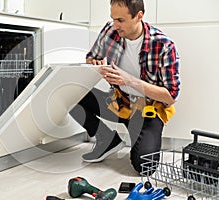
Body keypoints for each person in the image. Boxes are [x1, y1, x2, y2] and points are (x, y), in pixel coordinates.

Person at [70, 0, 180, 173]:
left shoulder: (164, 46)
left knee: (145, 167)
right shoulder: (110, 31)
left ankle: (137, 134)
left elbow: (170, 97)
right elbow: (91, 58)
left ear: (139, 16)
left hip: (147, 110)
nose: (115, 25)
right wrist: (95, 63)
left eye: (120, 20)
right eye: (113, 19)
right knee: (69, 94)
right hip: (118, 102)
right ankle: (107, 140)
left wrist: (129, 80)